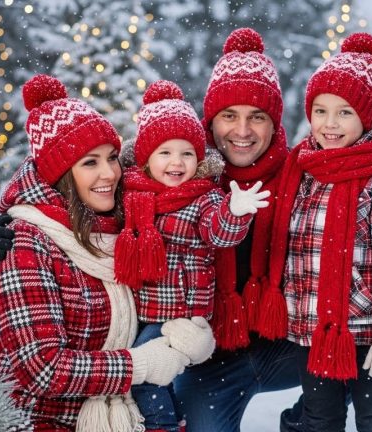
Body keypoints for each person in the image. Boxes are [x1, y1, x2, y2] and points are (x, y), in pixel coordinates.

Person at [0, 29, 372, 432]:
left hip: (284, 343)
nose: (242, 130)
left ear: (275, 124)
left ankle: (306, 421)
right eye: (228, 116)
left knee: (349, 368)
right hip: (210, 352)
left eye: (257, 116)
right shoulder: (179, 173)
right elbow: (87, 182)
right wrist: (14, 218)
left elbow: (365, 190)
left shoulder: (308, 171)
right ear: (208, 121)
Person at [0, 74, 214, 431]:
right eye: (90, 163)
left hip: (118, 412)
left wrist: (184, 332)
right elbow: (43, 369)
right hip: (32, 421)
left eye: (112, 157)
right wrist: (140, 364)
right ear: (61, 176)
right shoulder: (25, 243)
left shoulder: (122, 222)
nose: (110, 173)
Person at [262, 32, 372, 431]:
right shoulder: (303, 170)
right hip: (311, 329)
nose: (330, 124)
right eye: (320, 110)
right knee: (319, 419)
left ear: (366, 117)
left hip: (367, 329)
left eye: (345, 112)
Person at [113, 80, 270, 432]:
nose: (177, 162)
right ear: (146, 158)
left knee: (143, 375)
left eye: (186, 152)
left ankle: (162, 426)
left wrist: (236, 212)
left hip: (180, 317)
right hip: (141, 311)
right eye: (165, 152)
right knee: (156, 379)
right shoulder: (133, 195)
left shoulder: (203, 199)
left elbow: (219, 232)